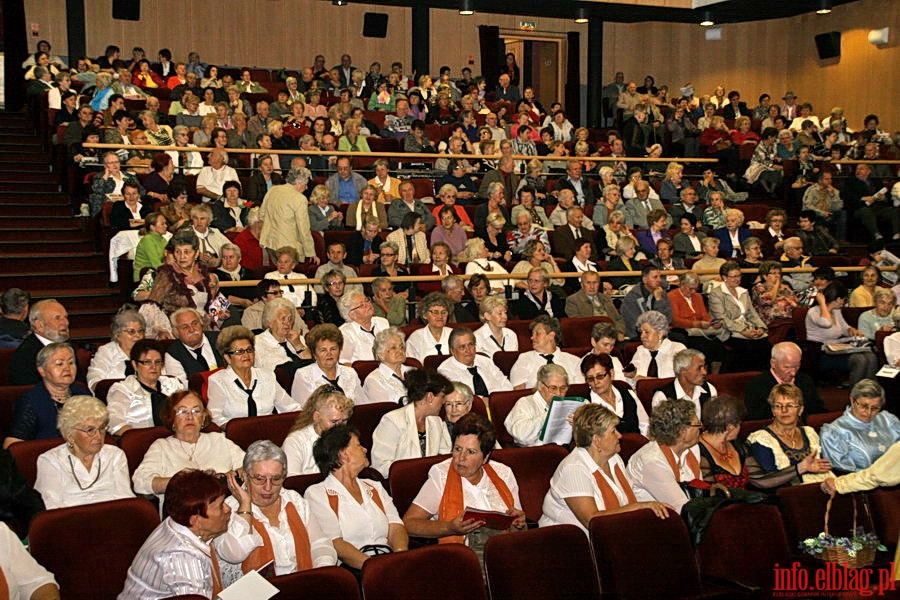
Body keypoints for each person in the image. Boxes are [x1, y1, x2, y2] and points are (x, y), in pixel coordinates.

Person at [403, 412, 525, 554]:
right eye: (457, 449)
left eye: (471, 452)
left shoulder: (503, 473)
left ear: (485, 457)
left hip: (505, 551)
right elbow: (409, 523)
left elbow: (516, 527)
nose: (461, 458)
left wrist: (518, 524)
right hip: (463, 558)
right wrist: (449, 528)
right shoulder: (441, 475)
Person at [540, 403, 670, 534]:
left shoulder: (614, 459)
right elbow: (592, 520)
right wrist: (638, 507)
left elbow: (626, 503)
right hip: (567, 545)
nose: (619, 435)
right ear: (596, 440)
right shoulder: (574, 468)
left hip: (610, 537)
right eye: (613, 431)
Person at [214, 440, 337, 579]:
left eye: (276, 479)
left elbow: (320, 543)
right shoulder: (226, 509)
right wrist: (245, 505)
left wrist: (320, 575)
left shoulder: (294, 500)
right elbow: (235, 553)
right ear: (245, 476)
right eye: (260, 479)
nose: (268, 487)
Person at [306, 425, 408, 571]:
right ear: (344, 454)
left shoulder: (374, 487)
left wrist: (400, 557)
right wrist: (375, 568)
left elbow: (395, 526)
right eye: (359, 445)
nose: (365, 450)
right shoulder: (318, 494)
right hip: (353, 570)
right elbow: (335, 543)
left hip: (388, 561)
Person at [119, 470, 231, 600]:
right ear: (196, 520)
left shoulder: (177, 521)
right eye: (221, 506)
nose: (228, 509)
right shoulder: (183, 558)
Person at [132, 390, 245, 498]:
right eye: (182, 411)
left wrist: (237, 473)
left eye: (196, 411)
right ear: (171, 418)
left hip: (227, 508)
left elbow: (250, 465)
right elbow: (140, 482)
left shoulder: (218, 440)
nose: (190, 417)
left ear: (204, 417)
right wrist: (181, 483)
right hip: (182, 512)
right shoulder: (162, 446)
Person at [699, 396, 828, 490]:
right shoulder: (699, 451)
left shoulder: (738, 446)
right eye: (739, 423)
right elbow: (711, 495)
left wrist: (801, 467)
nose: (740, 427)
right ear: (730, 427)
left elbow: (761, 480)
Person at [32, 395, 131, 510]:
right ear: (70, 435)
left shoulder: (115, 455)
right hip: (69, 523)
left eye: (102, 428)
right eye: (90, 430)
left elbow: (126, 500)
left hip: (111, 520)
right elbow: (51, 507)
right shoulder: (50, 461)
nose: (98, 436)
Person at [207, 326, 300, 428]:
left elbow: (291, 407)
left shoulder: (267, 376)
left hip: (268, 435)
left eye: (249, 349)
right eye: (239, 352)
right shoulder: (218, 381)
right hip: (235, 438)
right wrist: (234, 429)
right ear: (227, 358)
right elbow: (214, 416)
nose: (246, 355)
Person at [4, 343, 90, 448]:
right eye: (59, 364)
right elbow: (13, 445)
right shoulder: (31, 401)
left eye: (71, 363)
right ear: (42, 371)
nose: (67, 368)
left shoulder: (83, 394)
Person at [370, 369, 453, 477]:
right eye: (442, 396)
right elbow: (380, 466)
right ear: (430, 397)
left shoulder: (436, 422)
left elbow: (445, 457)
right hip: (401, 484)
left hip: (430, 482)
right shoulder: (393, 421)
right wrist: (413, 470)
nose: (444, 402)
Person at [747, 384, 834, 485]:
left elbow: (826, 465)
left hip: (821, 487)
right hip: (789, 494)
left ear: (800, 410)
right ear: (773, 411)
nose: (784, 410)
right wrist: (801, 468)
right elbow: (770, 479)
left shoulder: (809, 432)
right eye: (778, 406)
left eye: (790, 405)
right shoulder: (761, 439)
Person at [806, 281, 878, 386]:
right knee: (860, 360)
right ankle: (855, 395)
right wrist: (822, 303)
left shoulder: (836, 311)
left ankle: (870, 390)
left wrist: (852, 330)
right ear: (839, 299)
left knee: (871, 357)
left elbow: (844, 328)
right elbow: (826, 323)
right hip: (821, 352)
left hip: (837, 348)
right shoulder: (814, 312)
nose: (844, 302)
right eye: (844, 300)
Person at [819, 379, 899, 472]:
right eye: (864, 406)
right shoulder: (835, 433)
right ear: (852, 400)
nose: (868, 413)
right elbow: (843, 472)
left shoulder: (887, 420)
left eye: (875, 408)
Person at [106, 340, 184, 435]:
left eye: (158, 362)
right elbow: (113, 421)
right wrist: (140, 438)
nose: (153, 367)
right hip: (144, 442)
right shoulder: (123, 390)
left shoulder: (172, 384)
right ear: (135, 364)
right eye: (147, 362)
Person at [708, 261, 770, 370]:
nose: (737, 279)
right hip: (727, 330)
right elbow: (722, 318)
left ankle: (761, 375)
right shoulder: (716, 294)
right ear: (724, 277)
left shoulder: (743, 291)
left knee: (765, 344)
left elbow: (752, 313)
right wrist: (742, 330)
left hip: (747, 327)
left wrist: (760, 327)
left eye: (739, 275)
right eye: (733, 276)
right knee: (747, 347)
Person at [282, 386, 354, 476]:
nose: (340, 427)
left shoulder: (349, 438)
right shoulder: (295, 442)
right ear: (317, 417)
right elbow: (292, 480)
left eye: (344, 421)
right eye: (334, 421)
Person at [258, 166, 320, 267]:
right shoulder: (300, 199)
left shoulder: (272, 190)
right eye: (306, 184)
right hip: (288, 247)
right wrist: (311, 252)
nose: (307, 188)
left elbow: (262, 215)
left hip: (269, 243)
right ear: (299, 183)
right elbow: (303, 229)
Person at [291, 324, 366, 405]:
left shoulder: (350, 373)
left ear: (340, 350)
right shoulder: (303, 375)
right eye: (323, 350)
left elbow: (363, 405)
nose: (329, 354)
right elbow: (303, 411)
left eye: (333, 349)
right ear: (314, 354)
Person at [505, 364, 573, 447]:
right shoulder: (525, 403)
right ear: (540, 386)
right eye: (553, 388)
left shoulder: (568, 405)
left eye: (563, 388)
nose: (558, 393)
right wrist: (551, 414)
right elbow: (521, 435)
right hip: (533, 454)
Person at [510, 316, 584, 390]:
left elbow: (580, 390)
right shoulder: (524, 359)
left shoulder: (574, 361)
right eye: (532, 334)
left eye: (537, 334)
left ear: (551, 335)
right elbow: (518, 391)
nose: (532, 337)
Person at [582, 353, 648, 435]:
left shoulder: (628, 393)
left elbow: (645, 426)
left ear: (611, 374)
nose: (596, 382)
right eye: (590, 379)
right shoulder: (586, 405)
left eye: (600, 376)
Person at [437, 328, 512, 397]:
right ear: (452, 351)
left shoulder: (486, 361)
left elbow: (506, 384)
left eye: (471, 345)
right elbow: (462, 396)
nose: (468, 350)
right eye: (462, 347)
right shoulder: (445, 370)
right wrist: (483, 401)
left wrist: (497, 400)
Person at [86, 309, 148, 392]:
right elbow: (94, 381)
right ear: (118, 335)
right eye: (131, 332)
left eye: (141, 331)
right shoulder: (106, 352)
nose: (138, 335)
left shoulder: (149, 351)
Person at [164, 308, 225, 385]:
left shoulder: (220, 339)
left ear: (201, 324)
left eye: (195, 323)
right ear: (176, 332)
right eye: (185, 327)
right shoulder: (173, 353)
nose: (192, 329)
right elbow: (180, 386)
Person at [621, 266, 673, 339]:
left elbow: (668, 319)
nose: (659, 280)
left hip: (659, 332)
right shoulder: (632, 297)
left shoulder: (661, 294)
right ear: (645, 280)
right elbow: (636, 324)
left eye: (660, 277)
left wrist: (659, 300)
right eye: (655, 277)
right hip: (638, 334)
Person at [405, 293, 454, 364]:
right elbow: (412, 365)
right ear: (425, 315)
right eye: (435, 312)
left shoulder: (454, 334)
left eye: (443, 312)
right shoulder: (416, 338)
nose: (440, 316)